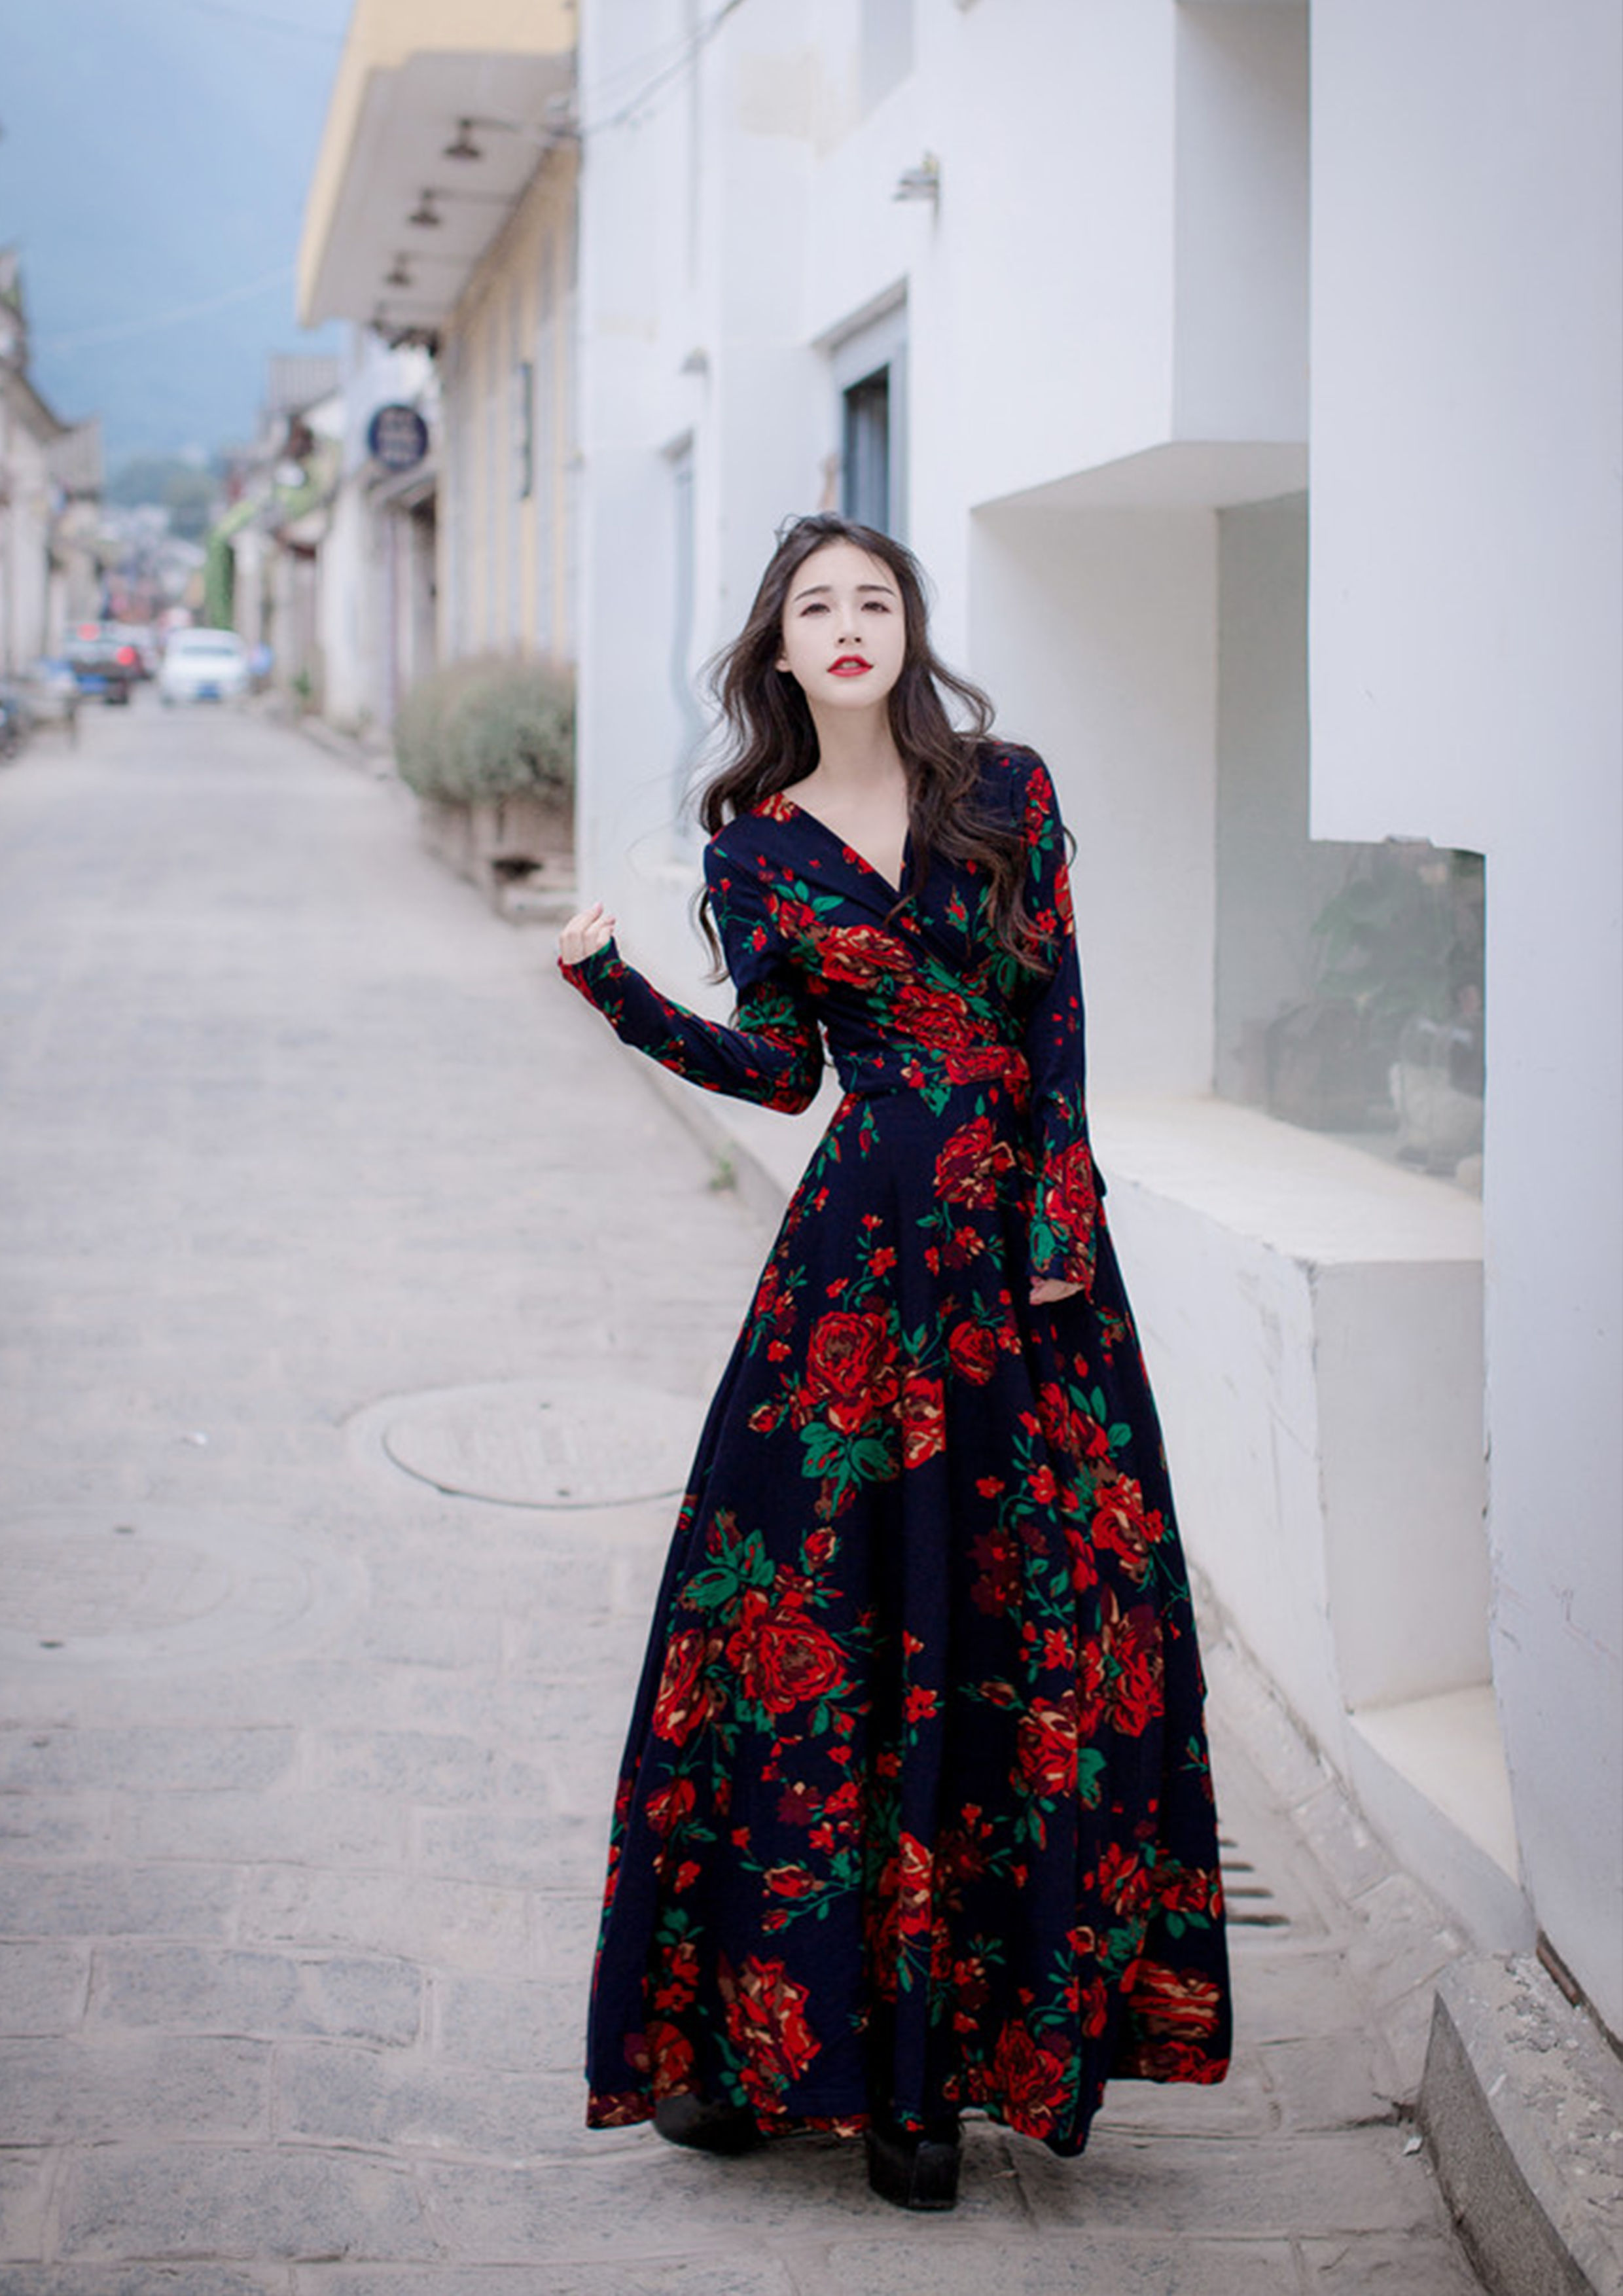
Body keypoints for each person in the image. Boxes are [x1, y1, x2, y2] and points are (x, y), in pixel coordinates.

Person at [556, 512, 1230, 2212]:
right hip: (851, 1289)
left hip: (1024, 1275)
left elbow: (1057, 1026)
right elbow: (785, 1073)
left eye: (875, 597)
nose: (847, 623)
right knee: (807, 1643)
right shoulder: (755, 852)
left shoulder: (1006, 792)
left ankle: (954, 2079)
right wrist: (613, 989)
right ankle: (783, 2057)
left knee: (1038, 1632)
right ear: (778, 653)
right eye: (814, 605)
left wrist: (1059, 1242)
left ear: (911, 629)